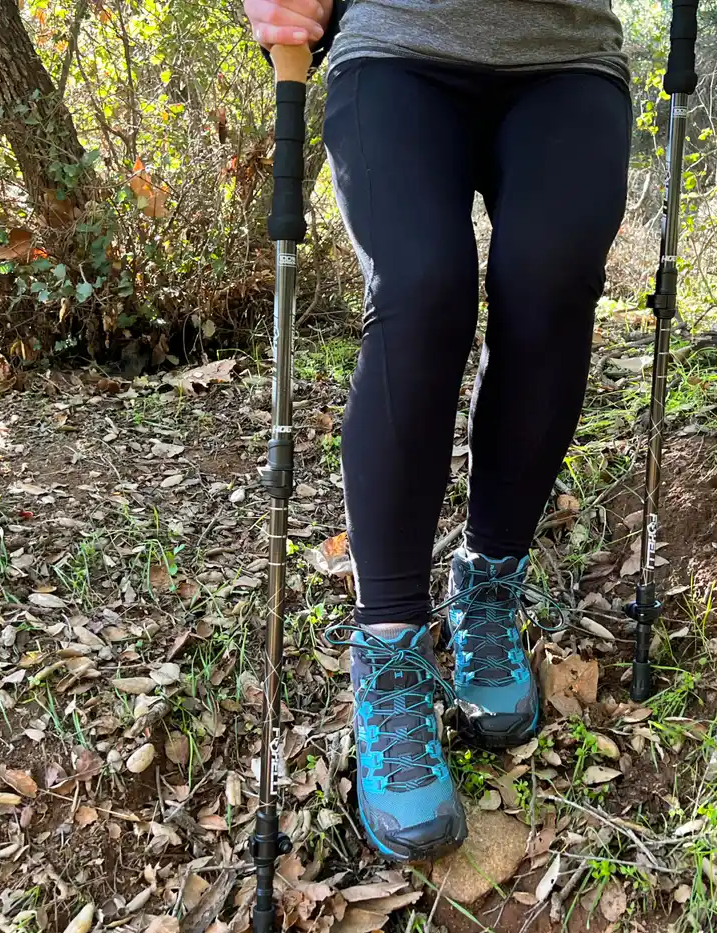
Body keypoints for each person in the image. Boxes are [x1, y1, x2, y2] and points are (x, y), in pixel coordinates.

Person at [243, 0, 632, 861]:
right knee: (421, 291)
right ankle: (388, 648)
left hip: (565, 52)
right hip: (396, 44)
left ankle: (487, 584)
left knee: (550, 287)